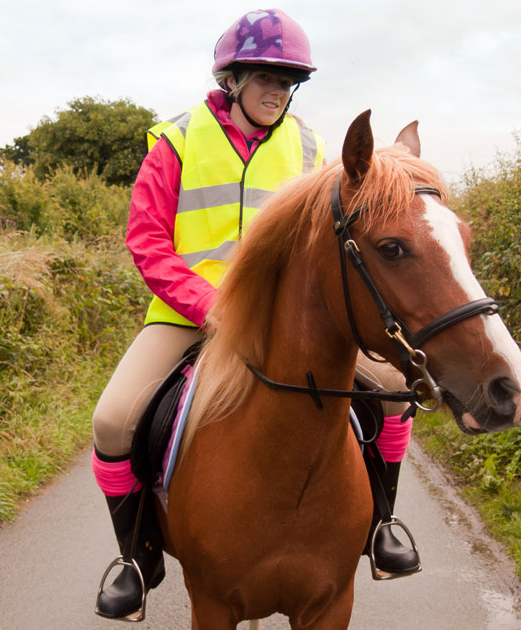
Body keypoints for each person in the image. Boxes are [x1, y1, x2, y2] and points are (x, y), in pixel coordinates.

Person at [91, 9, 420, 621]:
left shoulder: (312, 148)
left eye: (289, 80)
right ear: (233, 78)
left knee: (397, 390)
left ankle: (383, 525)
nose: (278, 91)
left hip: (286, 319)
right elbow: (147, 241)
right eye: (266, 77)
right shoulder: (178, 141)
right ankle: (136, 559)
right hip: (190, 314)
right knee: (113, 420)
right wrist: (207, 304)